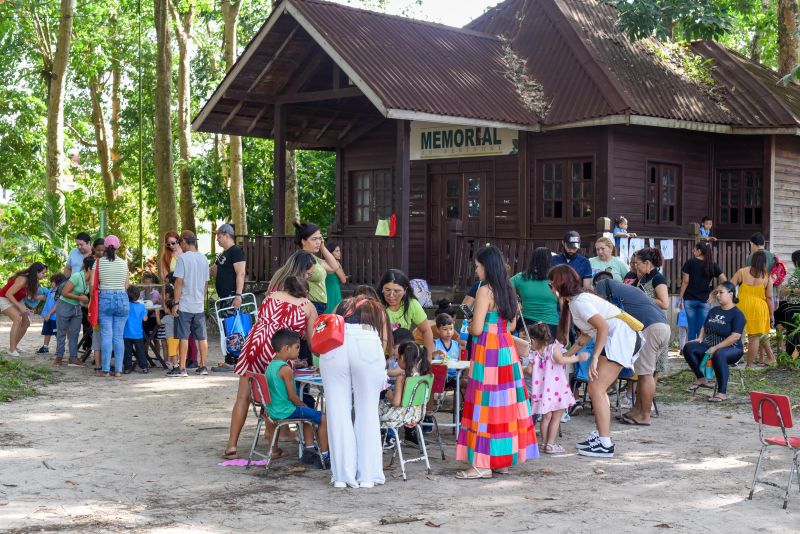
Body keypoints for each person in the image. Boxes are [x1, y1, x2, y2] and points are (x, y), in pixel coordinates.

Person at [456, 246, 538, 479]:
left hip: (487, 350)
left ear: (486, 266)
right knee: (504, 404)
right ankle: (500, 461)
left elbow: (477, 328)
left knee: (485, 404)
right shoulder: (508, 288)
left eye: (477, 266)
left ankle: (481, 464)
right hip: (506, 349)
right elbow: (511, 326)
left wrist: (470, 323)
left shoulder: (484, 290)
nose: (476, 271)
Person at [550, 264, 639, 459]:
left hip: (621, 339)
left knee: (596, 388)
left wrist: (595, 358)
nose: (550, 288)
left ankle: (605, 443)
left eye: (551, 283)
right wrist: (565, 356)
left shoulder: (579, 302)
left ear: (559, 284)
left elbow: (603, 327)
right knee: (595, 388)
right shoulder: (575, 302)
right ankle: (601, 436)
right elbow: (586, 335)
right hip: (619, 339)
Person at [224, 273, 317, 460]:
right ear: (305, 291)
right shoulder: (307, 306)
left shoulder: (271, 296)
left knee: (243, 397)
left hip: (254, 342)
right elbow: (313, 344)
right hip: (277, 348)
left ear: (286, 287)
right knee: (272, 396)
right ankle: (272, 447)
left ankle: (231, 447)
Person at [322, 296, 391, 489]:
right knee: (367, 412)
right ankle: (367, 476)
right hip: (367, 340)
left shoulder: (340, 305)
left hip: (335, 343)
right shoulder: (377, 308)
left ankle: (342, 477)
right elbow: (384, 341)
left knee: (337, 412)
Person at [594, 272, 671, 426]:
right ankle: (637, 411)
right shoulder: (627, 289)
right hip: (661, 326)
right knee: (643, 373)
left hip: (650, 328)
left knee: (646, 374)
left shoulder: (603, 285)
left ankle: (645, 415)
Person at [266, 329, 330, 469]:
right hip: (286, 411)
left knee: (307, 413)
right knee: (322, 417)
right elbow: (292, 396)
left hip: (273, 409)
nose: (298, 351)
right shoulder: (285, 369)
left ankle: (309, 449)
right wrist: (303, 407)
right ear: (285, 348)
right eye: (297, 347)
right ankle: (325, 455)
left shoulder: (270, 366)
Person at [524, 322, 584, 454]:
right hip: (558, 390)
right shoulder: (554, 348)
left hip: (542, 392)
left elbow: (529, 371)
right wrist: (577, 357)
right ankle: (550, 445)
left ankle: (544, 443)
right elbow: (561, 360)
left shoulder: (534, 354)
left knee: (545, 418)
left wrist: (518, 367)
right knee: (556, 417)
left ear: (533, 340)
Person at [683, 281, 746, 401]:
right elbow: (704, 326)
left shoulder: (737, 314)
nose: (717, 295)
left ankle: (722, 392)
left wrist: (716, 348)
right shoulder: (714, 310)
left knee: (719, 354)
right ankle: (701, 378)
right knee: (688, 347)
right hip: (710, 344)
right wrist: (700, 338)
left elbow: (735, 337)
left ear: (731, 294)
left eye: (721, 292)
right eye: (716, 292)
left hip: (732, 349)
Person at [168, 231, 210, 377]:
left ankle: (182, 368)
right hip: (198, 305)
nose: (179, 245)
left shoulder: (183, 259)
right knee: (201, 337)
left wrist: (176, 302)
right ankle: (203, 366)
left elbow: (178, 282)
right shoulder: (204, 259)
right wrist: (200, 299)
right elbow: (206, 283)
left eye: (180, 242)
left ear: (185, 242)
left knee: (183, 336)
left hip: (185, 304)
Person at [377, 269, 435, 357]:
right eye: (387, 290)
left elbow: (426, 330)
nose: (391, 295)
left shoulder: (412, 304)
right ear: (382, 288)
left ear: (405, 290)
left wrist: (428, 359)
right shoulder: (376, 305)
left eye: (397, 291)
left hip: (403, 357)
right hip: (379, 355)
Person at [731, 250, 775, 367]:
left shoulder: (742, 272)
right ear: (764, 262)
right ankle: (749, 366)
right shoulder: (767, 277)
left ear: (752, 260)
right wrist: (771, 314)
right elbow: (769, 297)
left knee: (737, 333)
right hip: (759, 308)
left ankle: (733, 359)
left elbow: (729, 286)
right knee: (754, 337)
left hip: (742, 306)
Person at [379, 340, 431, 435]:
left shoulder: (402, 377)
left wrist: (389, 394)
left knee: (372, 410)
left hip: (399, 416)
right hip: (417, 415)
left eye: (397, 359)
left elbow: (396, 402)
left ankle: (383, 438)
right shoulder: (422, 376)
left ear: (402, 358)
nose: (397, 361)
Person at [97, 235, 130, 377]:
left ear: (104, 246)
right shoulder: (123, 263)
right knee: (118, 337)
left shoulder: (98, 263)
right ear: (117, 247)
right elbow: (126, 285)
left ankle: (105, 370)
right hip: (122, 298)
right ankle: (118, 370)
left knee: (106, 335)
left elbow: (93, 284)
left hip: (105, 297)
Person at [678, 242, 726, 341]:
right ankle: (700, 353)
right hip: (705, 300)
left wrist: (680, 298)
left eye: (694, 249)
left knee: (691, 328)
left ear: (699, 251)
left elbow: (685, 282)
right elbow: (725, 281)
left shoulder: (690, 262)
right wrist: (713, 293)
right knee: (702, 329)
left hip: (689, 299)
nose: (693, 251)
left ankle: (690, 353)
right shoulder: (712, 264)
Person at [294, 221, 342, 315]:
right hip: (311, 305)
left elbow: (334, 267)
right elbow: (297, 283)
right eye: (314, 239)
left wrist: (323, 247)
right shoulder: (303, 258)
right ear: (303, 241)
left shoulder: (314, 258)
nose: (318, 242)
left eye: (320, 238)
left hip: (319, 306)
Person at [0, 262, 48, 356]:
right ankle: (11, 350)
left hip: (16, 300)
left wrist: (43, 297)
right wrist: (20, 307)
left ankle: (14, 346)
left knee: (27, 322)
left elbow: (32, 297)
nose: (44, 275)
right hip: (4, 298)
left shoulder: (34, 281)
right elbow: (8, 294)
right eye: (43, 273)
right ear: (36, 272)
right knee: (17, 319)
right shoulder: (22, 279)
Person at [511, 247, 559, 338]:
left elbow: (504, 287)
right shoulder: (556, 279)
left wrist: (516, 301)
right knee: (547, 351)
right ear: (549, 261)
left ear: (532, 260)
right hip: (550, 325)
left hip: (526, 323)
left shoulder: (521, 277)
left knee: (525, 351)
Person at [53, 258, 92, 367]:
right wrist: (80, 298)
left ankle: (73, 358)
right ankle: (59, 357)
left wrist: (83, 299)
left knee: (74, 333)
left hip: (76, 308)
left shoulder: (91, 281)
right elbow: (65, 293)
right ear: (88, 268)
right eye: (95, 269)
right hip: (64, 305)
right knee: (61, 333)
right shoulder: (76, 276)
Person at [211, 224, 246, 308]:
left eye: (219, 237)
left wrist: (238, 295)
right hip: (224, 297)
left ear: (226, 236)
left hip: (232, 297)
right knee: (224, 320)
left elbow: (241, 273)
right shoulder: (223, 253)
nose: (217, 239)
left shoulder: (236, 251)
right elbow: (213, 271)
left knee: (231, 320)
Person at [775, 250, 800, 356]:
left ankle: (794, 356)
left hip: (797, 307)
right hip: (791, 305)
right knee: (791, 332)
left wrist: (789, 290)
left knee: (795, 332)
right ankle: (791, 355)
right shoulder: (796, 272)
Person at [37, 274, 66, 355]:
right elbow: (44, 297)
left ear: (58, 282)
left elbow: (57, 305)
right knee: (47, 332)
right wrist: (35, 297)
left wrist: (49, 314)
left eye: (52, 281)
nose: (50, 283)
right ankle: (45, 347)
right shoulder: (50, 290)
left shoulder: (60, 292)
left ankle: (60, 348)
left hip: (56, 317)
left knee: (58, 333)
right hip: (48, 317)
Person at [122, 286, 149, 374]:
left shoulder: (125, 305)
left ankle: (127, 367)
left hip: (126, 333)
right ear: (138, 295)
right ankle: (144, 366)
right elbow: (145, 319)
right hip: (138, 334)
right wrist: (146, 312)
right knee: (140, 351)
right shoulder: (141, 306)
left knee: (127, 351)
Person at [324, 241, 347, 313]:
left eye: (339, 251)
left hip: (325, 291)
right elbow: (344, 280)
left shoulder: (323, 262)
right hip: (333, 292)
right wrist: (339, 266)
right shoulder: (335, 264)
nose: (339, 253)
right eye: (336, 251)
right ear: (330, 253)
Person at [158, 300, 179, 370]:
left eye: (165, 307)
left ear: (169, 309)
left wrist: (157, 313)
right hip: (178, 337)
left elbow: (159, 323)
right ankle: (175, 363)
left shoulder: (166, 317)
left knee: (173, 352)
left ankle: (175, 366)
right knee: (176, 351)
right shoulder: (178, 316)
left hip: (171, 338)